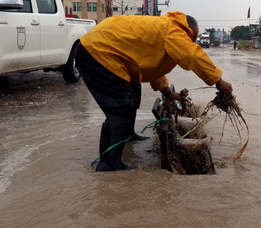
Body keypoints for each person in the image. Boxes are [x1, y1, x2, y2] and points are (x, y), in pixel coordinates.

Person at [75, 11, 233, 172]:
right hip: (97, 52)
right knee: (121, 107)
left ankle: (128, 135)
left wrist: (167, 93)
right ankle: (108, 164)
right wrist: (218, 81)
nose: (189, 42)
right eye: (191, 40)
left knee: (133, 92)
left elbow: (153, 68)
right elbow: (191, 55)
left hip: (109, 54)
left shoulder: (164, 29)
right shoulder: (174, 30)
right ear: (189, 31)